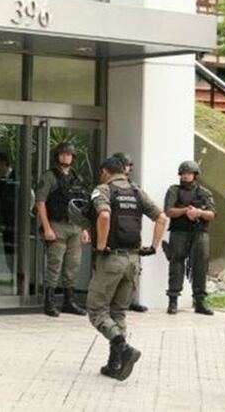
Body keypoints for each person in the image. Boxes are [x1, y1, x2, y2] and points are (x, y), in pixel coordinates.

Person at [86, 157, 167, 381]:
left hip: (111, 259)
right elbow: (161, 217)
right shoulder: (137, 192)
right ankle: (115, 364)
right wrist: (153, 246)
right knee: (118, 312)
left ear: (105, 171)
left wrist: (101, 245)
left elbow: (103, 215)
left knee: (97, 310)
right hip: (133, 260)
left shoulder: (103, 189)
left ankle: (124, 349)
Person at [35, 142, 90, 317]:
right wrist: (46, 227)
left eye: (69, 154)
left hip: (75, 226)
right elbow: (40, 202)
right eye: (63, 154)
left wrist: (84, 228)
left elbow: (82, 205)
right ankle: (49, 302)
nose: (66, 157)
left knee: (73, 264)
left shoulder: (77, 178)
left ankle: (69, 301)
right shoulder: (50, 176)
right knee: (54, 264)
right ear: (57, 155)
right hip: (56, 224)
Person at [163, 160, 215, 316]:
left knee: (200, 265)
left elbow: (212, 214)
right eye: (183, 174)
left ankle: (200, 301)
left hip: (199, 232)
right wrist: (186, 210)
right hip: (179, 232)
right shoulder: (174, 191)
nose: (186, 176)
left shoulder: (204, 192)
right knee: (176, 264)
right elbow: (168, 211)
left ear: (195, 175)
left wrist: (199, 213)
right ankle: (173, 301)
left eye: (189, 173)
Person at [110, 152, 148, 313]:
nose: (130, 168)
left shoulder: (134, 187)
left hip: (131, 232)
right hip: (114, 234)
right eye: (127, 165)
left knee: (134, 269)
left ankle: (129, 299)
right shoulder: (108, 187)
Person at [0, 152, 18, 292]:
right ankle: (13, 275)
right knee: (8, 250)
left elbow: (29, 195)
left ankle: (19, 277)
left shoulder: (17, 177)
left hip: (18, 222)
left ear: (4, 163)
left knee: (17, 249)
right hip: (6, 222)